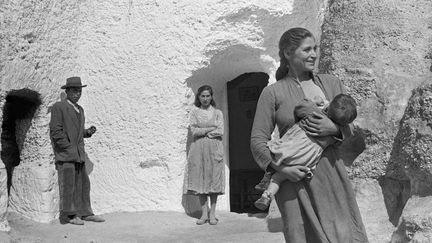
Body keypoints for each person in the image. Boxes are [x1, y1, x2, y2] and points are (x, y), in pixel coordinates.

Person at [250, 27, 369, 242]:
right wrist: (282, 168)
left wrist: (334, 129)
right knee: (300, 235)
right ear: (288, 53)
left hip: (331, 177)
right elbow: (257, 141)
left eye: (315, 48)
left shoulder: (332, 84)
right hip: (291, 181)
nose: (314, 54)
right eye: (307, 50)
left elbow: (353, 133)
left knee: (342, 234)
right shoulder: (272, 93)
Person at [254, 94, 358, 210]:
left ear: (329, 107)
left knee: (272, 152)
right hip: (306, 159)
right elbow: (346, 134)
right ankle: (267, 194)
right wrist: (336, 128)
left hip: (291, 148)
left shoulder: (314, 113)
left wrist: (315, 101)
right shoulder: (333, 136)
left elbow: (301, 107)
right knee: (279, 177)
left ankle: (266, 178)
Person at [50, 77, 105, 225]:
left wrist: (87, 132)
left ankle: (85, 214)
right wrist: (68, 147)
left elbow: (78, 132)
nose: (77, 93)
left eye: (79, 91)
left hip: (79, 155)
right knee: (69, 186)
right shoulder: (59, 107)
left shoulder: (80, 109)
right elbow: (56, 132)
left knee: (83, 186)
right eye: (74, 90)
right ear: (66, 91)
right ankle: (69, 216)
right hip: (67, 155)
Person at [184, 85, 224, 225]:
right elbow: (194, 131)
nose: (205, 99)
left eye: (208, 96)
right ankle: (204, 214)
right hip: (198, 149)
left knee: (213, 181)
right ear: (198, 97)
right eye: (202, 96)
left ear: (211, 96)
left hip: (214, 148)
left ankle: (212, 214)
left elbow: (220, 131)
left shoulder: (218, 113)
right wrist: (210, 128)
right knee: (200, 181)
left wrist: (206, 130)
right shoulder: (194, 113)